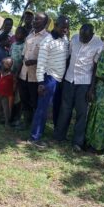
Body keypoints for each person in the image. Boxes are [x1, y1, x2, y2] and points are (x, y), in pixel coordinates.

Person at [53, 24, 104, 152]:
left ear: (92, 34)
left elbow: (96, 68)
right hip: (69, 79)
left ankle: (77, 141)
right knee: (65, 108)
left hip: (85, 83)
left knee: (81, 112)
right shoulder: (75, 38)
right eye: (81, 35)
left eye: (85, 37)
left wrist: (92, 88)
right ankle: (59, 136)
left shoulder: (98, 44)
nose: (82, 38)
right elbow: (68, 57)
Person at [28, 16, 70, 148]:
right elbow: (41, 63)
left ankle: (57, 135)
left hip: (60, 79)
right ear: (56, 25)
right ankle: (34, 137)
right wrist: (41, 82)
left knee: (58, 107)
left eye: (67, 27)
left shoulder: (65, 39)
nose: (65, 29)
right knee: (43, 109)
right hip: (49, 78)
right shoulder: (47, 41)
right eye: (63, 26)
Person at [18, 12, 50, 127]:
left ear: (45, 23)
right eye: (34, 19)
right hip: (24, 73)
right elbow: (24, 53)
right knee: (24, 98)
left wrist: (35, 61)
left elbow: (49, 59)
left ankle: (35, 125)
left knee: (35, 101)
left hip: (36, 76)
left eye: (38, 20)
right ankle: (26, 121)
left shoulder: (48, 38)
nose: (34, 21)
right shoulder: (30, 35)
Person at [0, 57, 15, 130]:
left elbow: (14, 84)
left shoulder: (11, 74)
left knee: (6, 107)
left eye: (5, 64)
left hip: (6, 94)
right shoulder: (1, 72)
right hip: (0, 92)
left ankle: (7, 122)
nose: (3, 65)